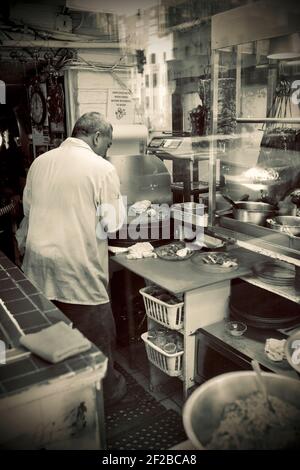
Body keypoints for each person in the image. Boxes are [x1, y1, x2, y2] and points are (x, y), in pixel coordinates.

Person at [21, 112, 127, 406]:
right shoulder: (101, 168)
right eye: (108, 143)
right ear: (96, 138)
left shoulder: (40, 162)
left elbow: (29, 211)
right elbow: (113, 224)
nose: (108, 150)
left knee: (54, 337)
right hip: (77, 270)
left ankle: (64, 393)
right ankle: (108, 393)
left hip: (39, 268)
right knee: (98, 335)